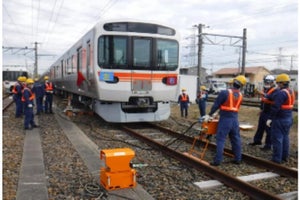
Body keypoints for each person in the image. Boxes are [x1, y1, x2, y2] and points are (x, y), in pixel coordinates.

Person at [203, 75, 247, 166]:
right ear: (242, 85)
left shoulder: (225, 92)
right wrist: (218, 113)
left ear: (233, 82)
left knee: (220, 139)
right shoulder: (241, 95)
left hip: (225, 119)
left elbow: (216, 105)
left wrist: (209, 114)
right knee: (236, 139)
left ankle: (217, 161)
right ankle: (238, 159)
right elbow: (231, 107)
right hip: (235, 119)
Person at [266, 73, 295, 164]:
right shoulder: (291, 91)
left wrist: (270, 118)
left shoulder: (281, 93)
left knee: (277, 139)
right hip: (288, 118)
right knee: (285, 137)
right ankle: (284, 156)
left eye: (278, 83)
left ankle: (276, 159)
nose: (277, 85)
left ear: (282, 83)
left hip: (280, 119)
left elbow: (275, 107)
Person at [248, 75, 278, 150]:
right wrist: (261, 109)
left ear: (272, 82)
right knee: (260, 127)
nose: (266, 83)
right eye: (266, 82)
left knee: (268, 129)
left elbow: (271, 98)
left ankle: (268, 145)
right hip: (264, 111)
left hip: (270, 112)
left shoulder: (275, 90)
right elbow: (264, 100)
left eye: (268, 82)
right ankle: (257, 140)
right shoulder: (266, 89)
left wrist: (263, 94)